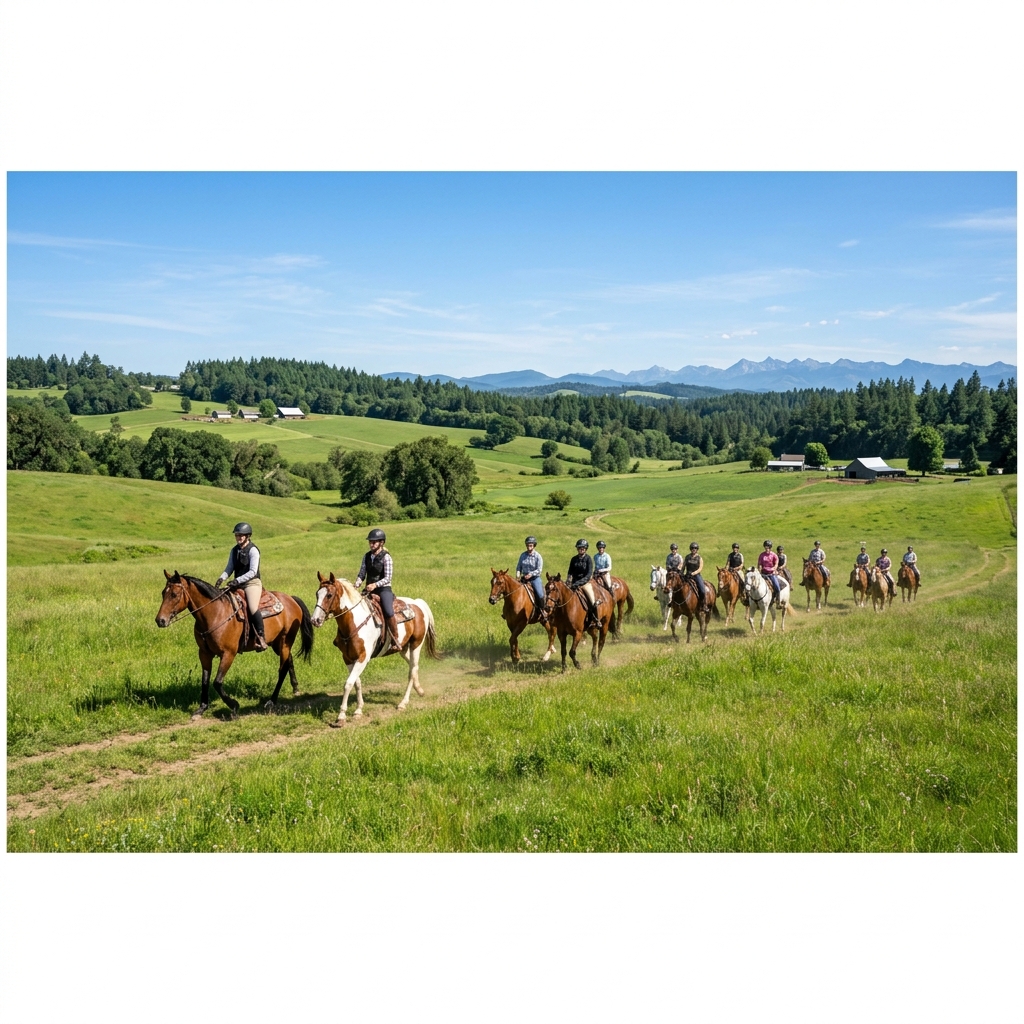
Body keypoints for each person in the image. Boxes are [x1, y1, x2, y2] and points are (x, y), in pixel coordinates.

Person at [216, 522, 267, 651]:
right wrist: (222, 578)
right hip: (237, 584)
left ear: (248, 536)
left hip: (251, 583)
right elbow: (229, 568)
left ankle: (260, 636)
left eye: (241, 535)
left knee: (252, 607)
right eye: (237, 535)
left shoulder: (253, 550)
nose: (238, 537)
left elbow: (253, 571)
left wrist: (237, 580)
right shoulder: (234, 550)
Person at [355, 528, 401, 651]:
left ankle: (395, 640)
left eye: (374, 542)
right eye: (370, 542)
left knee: (388, 611)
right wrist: (357, 583)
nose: (371, 544)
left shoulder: (386, 558)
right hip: (369, 589)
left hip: (383, 589)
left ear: (381, 543)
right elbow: (361, 573)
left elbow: (388, 577)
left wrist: (375, 585)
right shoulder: (366, 556)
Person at [567, 538, 599, 630]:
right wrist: (569, 580)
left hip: (585, 583)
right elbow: (570, 572)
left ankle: (596, 620)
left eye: (583, 548)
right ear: (577, 548)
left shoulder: (588, 559)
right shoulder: (573, 559)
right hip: (574, 583)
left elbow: (589, 575)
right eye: (580, 547)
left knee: (592, 601)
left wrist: (579, 583)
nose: (581, 549)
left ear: (586, 549)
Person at [516, 536, 545, 610]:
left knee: (540, 594)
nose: (529, 546)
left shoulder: (538, 556)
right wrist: (518, 575)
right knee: (513, 591)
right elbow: (519, 567)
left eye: (531, 545)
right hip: (524, 578)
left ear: (534, 545)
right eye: (528, 545)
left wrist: (531, 574)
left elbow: (539, 570)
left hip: (534, 578)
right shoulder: (523, 555)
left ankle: (542, 611)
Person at [682, 542, 706, 606]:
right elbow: (683, 566)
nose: (694, 549)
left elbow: (700, 568)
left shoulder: (699, 558)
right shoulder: (687, 557)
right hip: (687, 575)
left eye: (695, 548)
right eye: (692, 548)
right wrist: (681, 573)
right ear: (690, 549)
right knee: (677, 586)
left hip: (696, 575)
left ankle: (703, 604)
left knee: (702, 590)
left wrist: (693, 573)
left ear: (697, 549)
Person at [757, 540, 781, 604]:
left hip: (771, 574)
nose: (767, 548)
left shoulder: (774, 555)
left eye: (768, 547)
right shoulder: (761, 555)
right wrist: (759, 570)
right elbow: (759, 564)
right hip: (763, 573)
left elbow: (776, 564)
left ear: (770, 547)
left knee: (777, 586)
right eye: (766, 547)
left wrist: (773, 569)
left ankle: (777, 599)